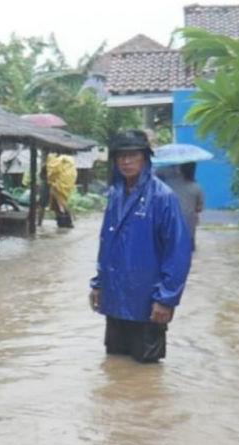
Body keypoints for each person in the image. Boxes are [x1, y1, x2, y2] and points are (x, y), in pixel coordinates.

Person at [89, 130, 193, 362]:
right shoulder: (115, 195)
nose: (126, 162)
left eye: (132, 155)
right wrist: (98, 284)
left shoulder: (163, 198)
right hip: (115, 299)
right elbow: (106, 244)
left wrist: (166, 299)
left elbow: (178, 252)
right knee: (115, 367)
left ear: (145, 158)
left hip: (148, 303)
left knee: (147, 372)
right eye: (121, 156)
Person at [157, 163, 205, 250]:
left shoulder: (166, 186)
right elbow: (199, 208)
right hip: (188, 228)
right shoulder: (196, 187)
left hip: (167, 225)